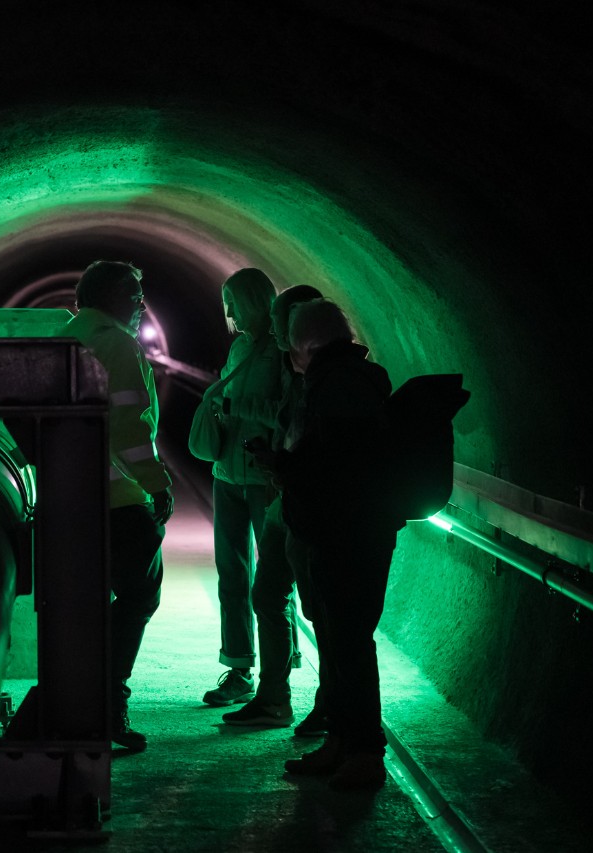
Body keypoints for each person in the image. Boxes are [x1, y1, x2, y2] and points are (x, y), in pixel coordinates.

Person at [255, 298, 401, 791]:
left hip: (347, 534)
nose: (287, 351)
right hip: (346, 531)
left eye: (291, 342)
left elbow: (334, 468)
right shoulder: (347, 379)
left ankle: (365, 753)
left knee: (350, 644)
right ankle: (342, 742)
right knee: (340, 644)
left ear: (308, 344)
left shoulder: (337, 386)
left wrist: (279, 465)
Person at [64, 260, 175, 752]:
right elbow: (131, 428)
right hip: (119, 499)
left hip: (71, 497)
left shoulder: (65, 337)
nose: (140, 304)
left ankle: (75, 700)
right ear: (107, 296)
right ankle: (108, 704)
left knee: (82, 604)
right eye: (133, 293)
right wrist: (156, 483)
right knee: (137, 597)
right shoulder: (116, 343)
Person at [222, 284, 327, 732]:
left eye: (286, 325)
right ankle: (273, 695)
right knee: (267, 591)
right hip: (280, 494)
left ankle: (333, 710)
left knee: (319, 606)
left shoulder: (321, 378)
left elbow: (307, 434)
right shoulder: (288, 366)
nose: (282, 336)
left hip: (300, 502)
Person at [200, 268, 286, 707]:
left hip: (263, 480)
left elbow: (288, 414)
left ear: (256, 300)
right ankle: (238, 667)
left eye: (233, 302)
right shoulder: (238, 348)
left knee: (273, 578)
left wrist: (236, 405)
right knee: (231, 574)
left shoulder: (284, 351)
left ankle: (278, 671)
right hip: (227, 477)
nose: (229, 312)